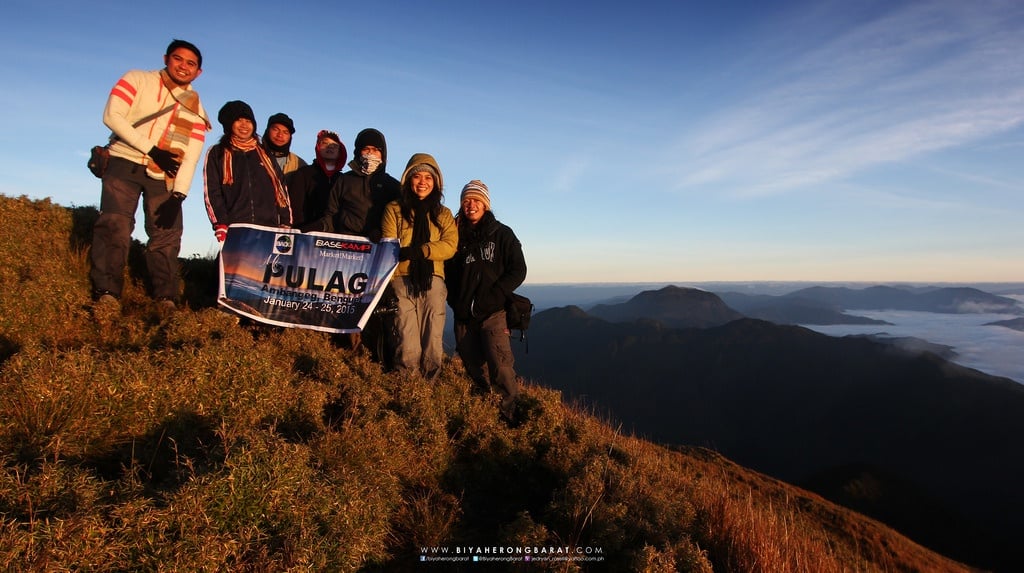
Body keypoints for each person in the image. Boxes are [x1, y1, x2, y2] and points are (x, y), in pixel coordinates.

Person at [89, 39, 210, 313]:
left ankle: (166, 297)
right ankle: (107, 292)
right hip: (124, 162)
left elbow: (191, 156)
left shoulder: (197, 109)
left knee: (166, 235)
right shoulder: (137, 79)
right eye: (178, 59)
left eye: (191, 63)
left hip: (165, 177)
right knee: (114, 225)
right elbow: (112, 116)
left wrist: (179, 195)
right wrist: (152, 149)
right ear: (166, 58)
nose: (184, 66)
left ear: (198, 72)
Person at [445, 180, 527, 420]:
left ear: (486, 204)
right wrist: (456, 302)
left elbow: (518, 270)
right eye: (466, 200)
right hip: (463, 315)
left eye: (477, 200)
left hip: (494, 313)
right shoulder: (454, 235)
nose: (471, 205)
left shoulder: (501, 234)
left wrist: (494, 296)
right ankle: (483, 410)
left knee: (500, 367)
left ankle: (509, 416)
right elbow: (447, 271)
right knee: (472, 366)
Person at [381, 153, 458, 378]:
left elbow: (450, 245)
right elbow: (389, 245)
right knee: (405, 336)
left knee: (432, 338)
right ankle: (408, 388)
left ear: (436, 183)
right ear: (408, 179)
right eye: (417, 176)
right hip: (401, 280)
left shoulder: (442, 214)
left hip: (433, 280)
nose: (423, 182)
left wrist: (420, 251)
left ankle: (429, 389)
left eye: (428, 177)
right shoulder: (393, 209)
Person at [203, 100, 292, 241]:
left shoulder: (264, 153)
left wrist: (286, 222)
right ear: (229, 124)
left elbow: (281, 187)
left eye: (248, 121)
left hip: (269, 228)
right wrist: (220, 223)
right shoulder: (217, 153)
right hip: (235, 227)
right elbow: (212, 191)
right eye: (238, 120)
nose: (244, 125)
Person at [287, 130, 347, 231]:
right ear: (318, 147)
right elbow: (294, 207)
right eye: (325, 143)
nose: (330, 147)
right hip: (305, 235)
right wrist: (301, 230)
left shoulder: (344, 180)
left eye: (334, 145)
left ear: (340, 151)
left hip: (334, 235)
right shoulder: (303, 174)